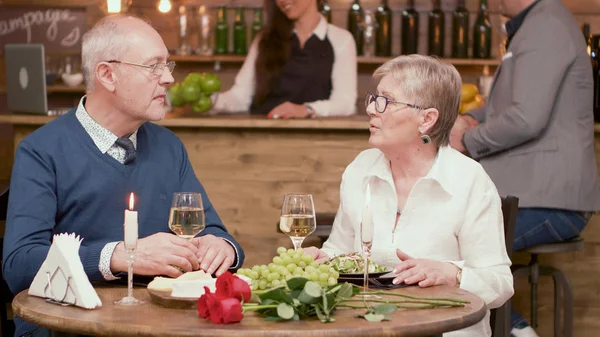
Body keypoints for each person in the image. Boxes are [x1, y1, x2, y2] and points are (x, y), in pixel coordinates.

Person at [3, 15, 244, 337]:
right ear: (108, 74)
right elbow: (19, 265)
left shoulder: (169, 146)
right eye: (153, 66)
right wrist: (122, 255)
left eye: (167, 65)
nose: (169, 78)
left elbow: (211, 230)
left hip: (157, 325)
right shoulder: (41, 151)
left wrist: (222, 247)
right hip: (67, 327)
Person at [305, 55, 514, 336]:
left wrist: (452, 273)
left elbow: (500, 283)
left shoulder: (469, 180)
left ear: (427, 119)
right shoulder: (360, 169)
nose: (371, 109)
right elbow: (340, 251)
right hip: (367, 327)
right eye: (374, 98)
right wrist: (320, 259)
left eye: (386, 101)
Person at [449, 0, 600, 335]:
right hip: (539, 197)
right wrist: (476, 116)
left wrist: (469, 139)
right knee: (453, 249)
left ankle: (518, 331)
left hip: (549, 201)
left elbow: (526, 119)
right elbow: (515, 105)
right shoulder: (537, 23)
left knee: (451, 251)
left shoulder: (545, 26)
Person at [212, 0, 357, 118]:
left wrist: (305, 109)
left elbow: (345, 103)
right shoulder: (264, 39)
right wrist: (210, 101)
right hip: (261, 139)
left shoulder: (341, 40)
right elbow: (240, 97)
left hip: (315, 144)